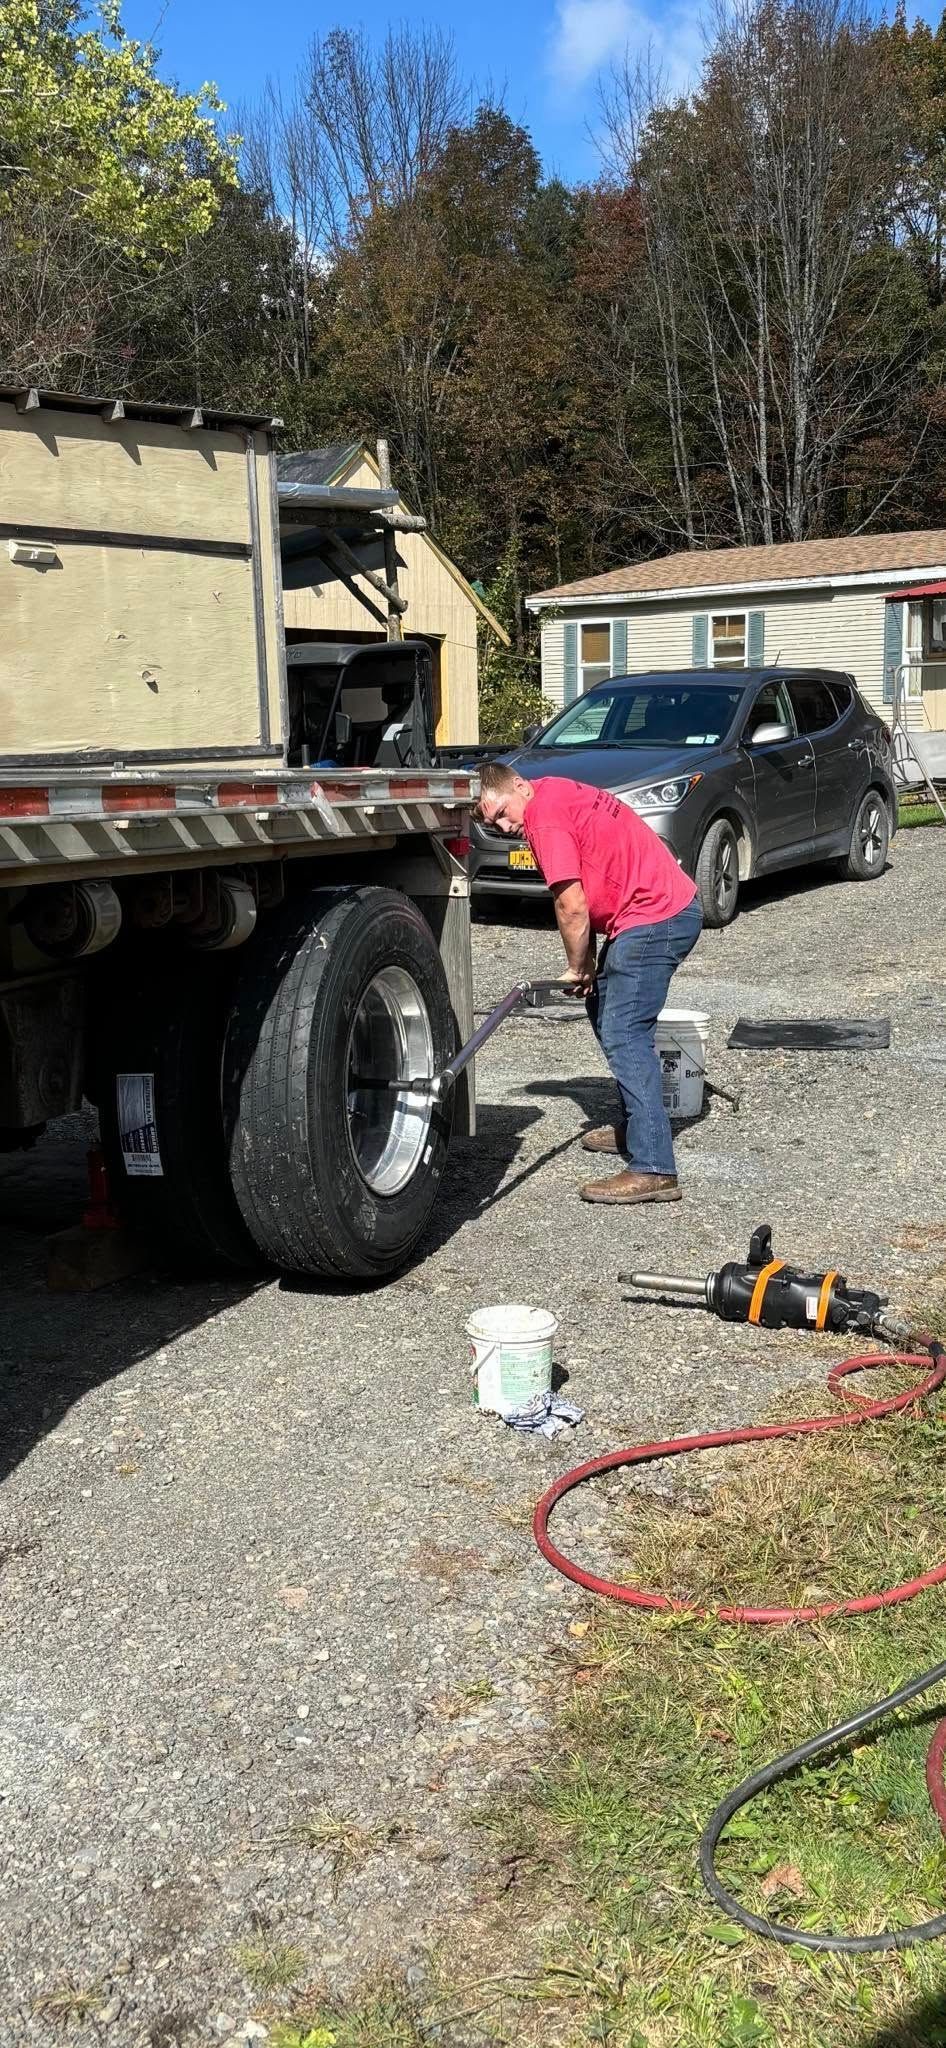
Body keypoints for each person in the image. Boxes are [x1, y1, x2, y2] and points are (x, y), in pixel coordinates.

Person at [476, 764, 702, 1204]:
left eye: (502, 812)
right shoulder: (555, 792)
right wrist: (591, 967)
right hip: (649, 911)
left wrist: (578, 967)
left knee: (624, 1030)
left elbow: (572, 906)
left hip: (658, 916)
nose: (504, 827)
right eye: (492, 824)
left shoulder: (543, 817)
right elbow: (595, 879)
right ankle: (639, 1127)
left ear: (519, 786)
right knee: (604, 1009)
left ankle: (654, 1166)